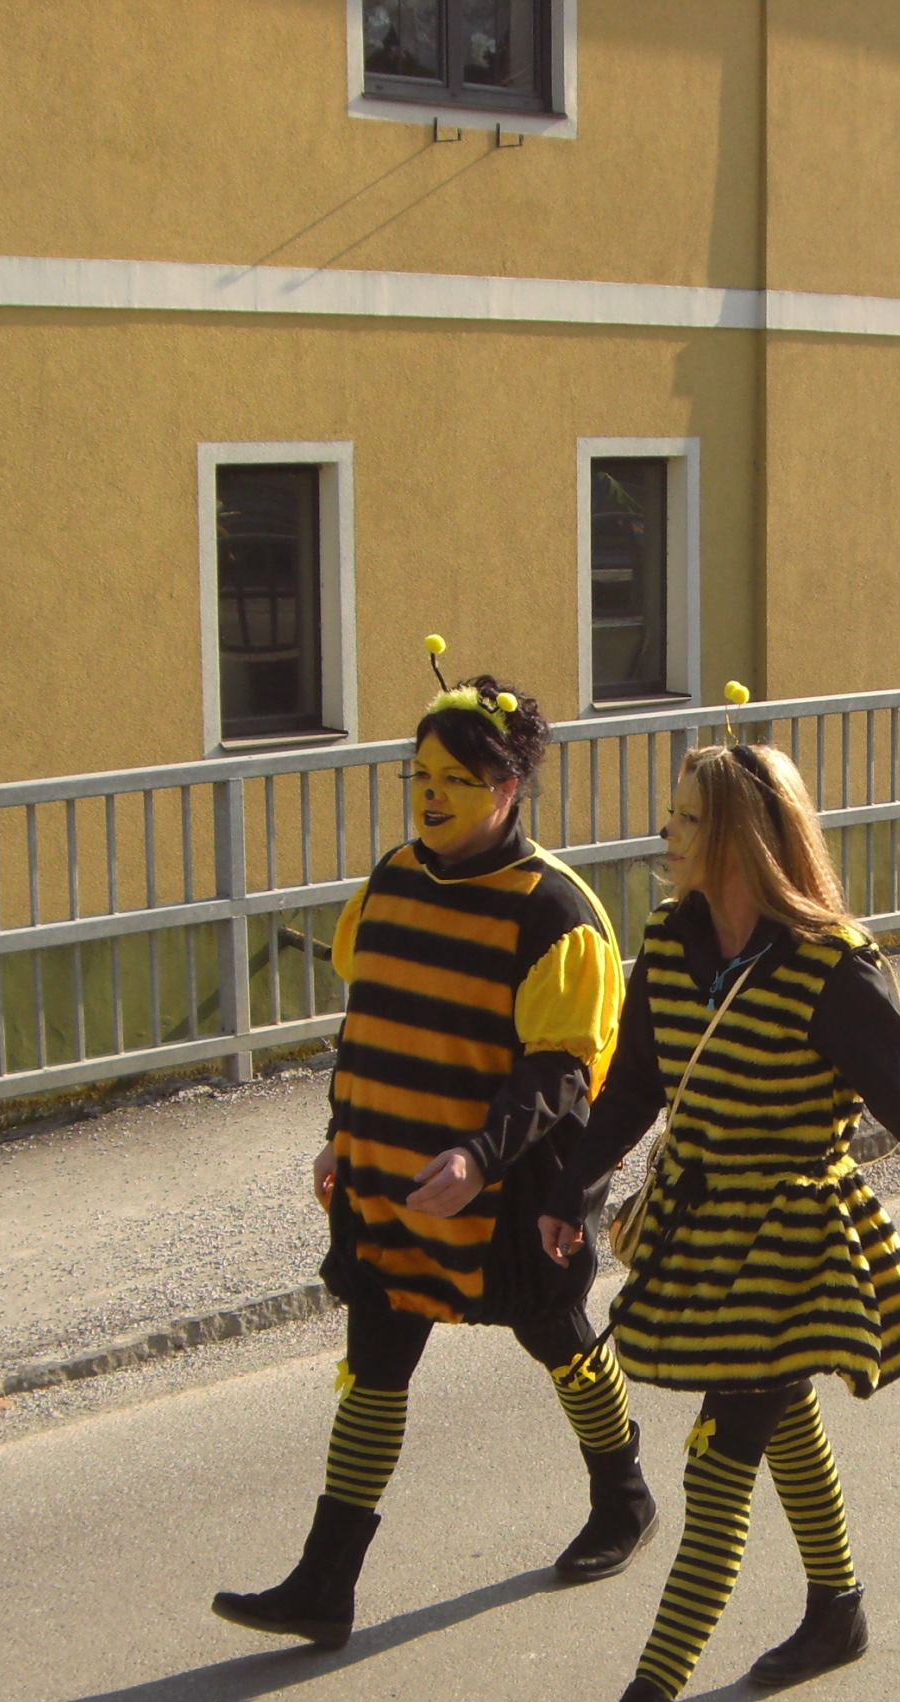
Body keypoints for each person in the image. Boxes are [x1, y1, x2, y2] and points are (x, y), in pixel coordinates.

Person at [538, 734, 900, 1702]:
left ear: (735, 838)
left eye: (687, 820)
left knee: (719, 1452)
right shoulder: (669, 942)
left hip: (793, 1240)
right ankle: (837, 1610)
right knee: (780, 1415)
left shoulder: (830, 966)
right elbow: (633, 1090)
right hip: (702, 1226)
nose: (667, 834)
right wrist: (569, 1191)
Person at [212, 641, 654, 1650]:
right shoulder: (391, 882)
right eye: (420, 776)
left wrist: (479, 1157)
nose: (431, 796)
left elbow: (560, 1071)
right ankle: (324, 1583)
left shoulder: (554, 912)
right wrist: (340, 1134)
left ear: (508, 788)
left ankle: (624, 1496)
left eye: (456, 779)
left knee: (558, 1337)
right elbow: (367, 1025)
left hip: (508, 1191)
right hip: (390, 1178)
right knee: (375, 1362)